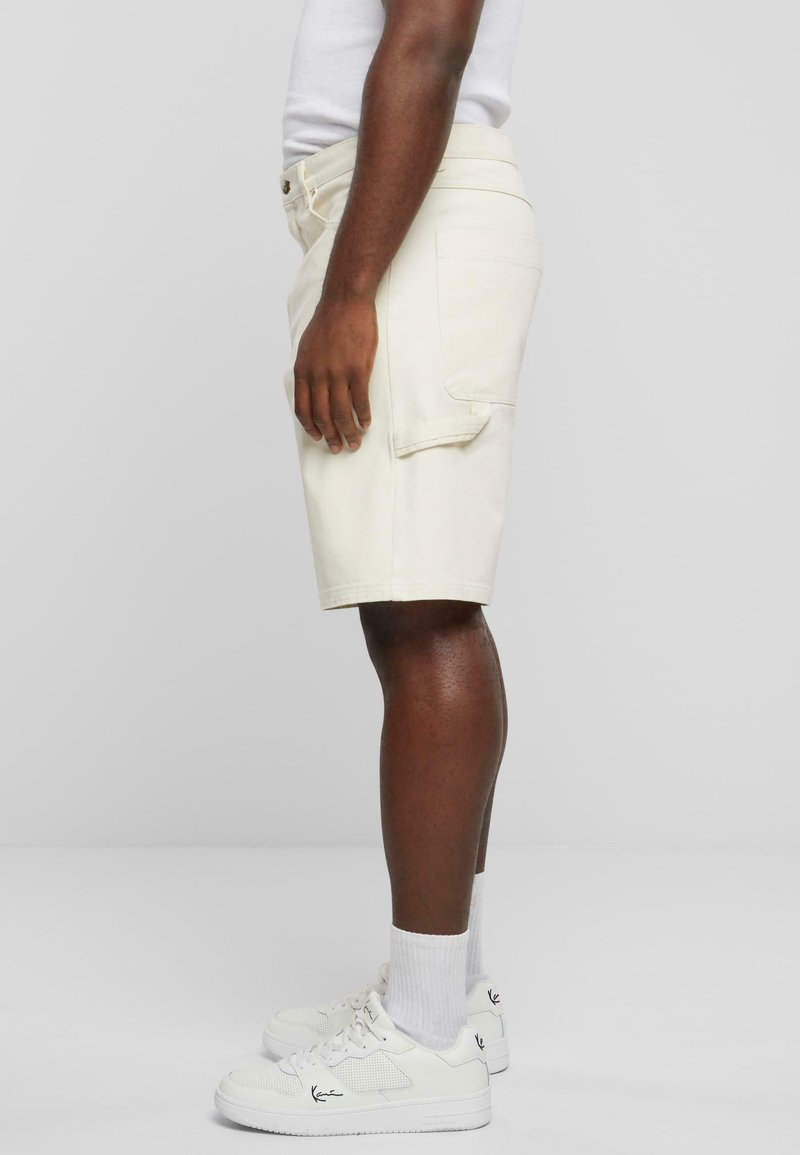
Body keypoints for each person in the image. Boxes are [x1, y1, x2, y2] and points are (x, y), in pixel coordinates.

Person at [214, 0, 542, 1135]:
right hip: (396, 208)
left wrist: (350, 291)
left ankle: (424, 1040)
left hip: (407, 215)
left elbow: (433, 35)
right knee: (417, 606)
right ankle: (448, 993)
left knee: (423, 610)